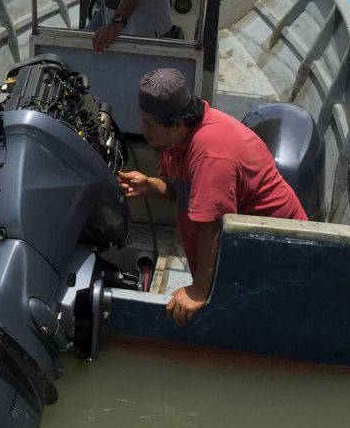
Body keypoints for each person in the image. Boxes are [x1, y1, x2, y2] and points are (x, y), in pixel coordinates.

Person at [117, 68, 307, 325]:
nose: (142, 129)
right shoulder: (178, 139)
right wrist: (151, 185)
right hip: (236, 244)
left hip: (271, 249)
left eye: (149, 123)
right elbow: (186, 190)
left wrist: (198, 290)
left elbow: (212, 226)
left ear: (177, 123)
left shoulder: (211, 152)